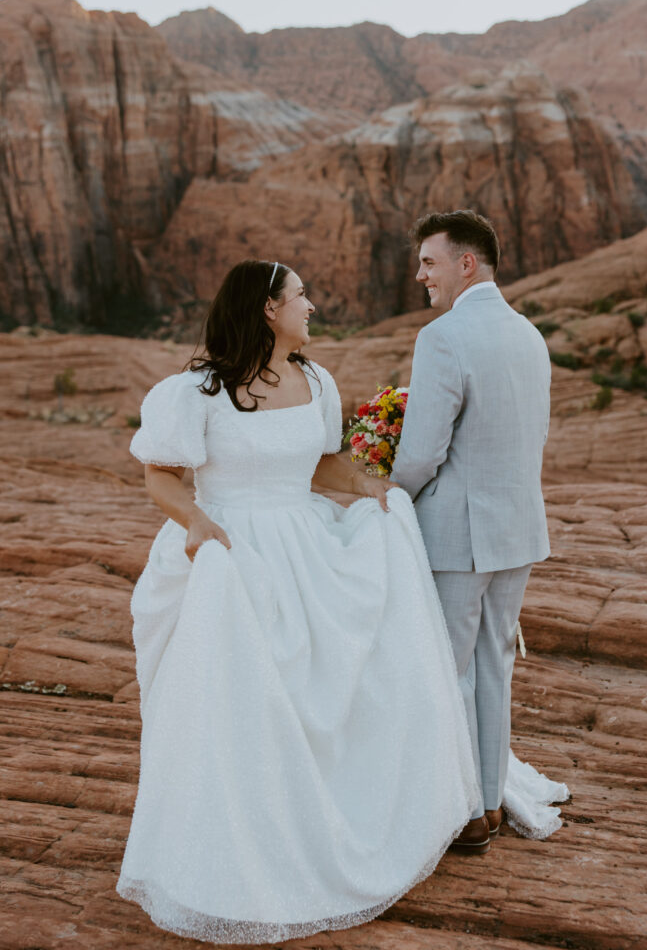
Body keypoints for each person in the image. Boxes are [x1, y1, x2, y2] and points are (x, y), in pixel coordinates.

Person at [116, 259, 481, 945]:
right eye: (301, 297)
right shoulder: (194, 392)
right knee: (243, 706)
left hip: (304, 546)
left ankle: (338, 822)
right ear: (265, 310)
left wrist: (372, 487)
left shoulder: (316, 380)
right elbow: (160, 475)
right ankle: (240, 850)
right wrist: (195, 523)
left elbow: (319, 465)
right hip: (231, 550)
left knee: (331, 691)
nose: (311, 307)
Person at [391, 210, 556, 856]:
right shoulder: (528, 336)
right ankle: (484, 803)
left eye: (428, 262)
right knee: (492, 668)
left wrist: (388, 499)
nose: (419, 275)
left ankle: (459, 810)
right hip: (517, 529)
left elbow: (421, 453)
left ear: (466, 263)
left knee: (447, 671)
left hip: (456, 535)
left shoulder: (443, 337)